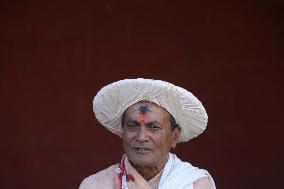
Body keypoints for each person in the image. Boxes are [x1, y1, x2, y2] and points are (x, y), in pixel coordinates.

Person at [79, 78, 216, 189]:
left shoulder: (196, 184)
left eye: (153, 127)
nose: (141, 137)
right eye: (132, 126)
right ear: (122, 131)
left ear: (174, 136)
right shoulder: (96, 185)